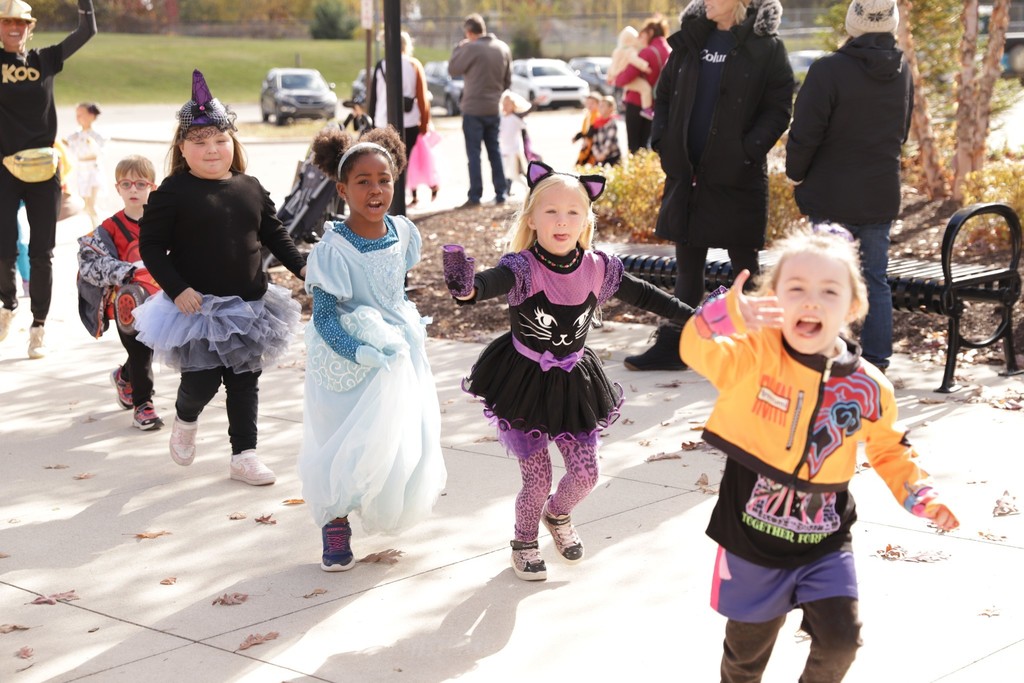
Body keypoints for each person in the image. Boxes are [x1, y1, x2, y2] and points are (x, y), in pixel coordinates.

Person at [680, 225, 959, 682]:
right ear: (773, 300)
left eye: (829, 291)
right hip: (751, 539)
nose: (811, 301)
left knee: (841, 641)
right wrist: (721, 317)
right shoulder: (755, 355)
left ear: (852, 306)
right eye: (796, 289)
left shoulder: (869, 387)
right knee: (745, 659)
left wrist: (921, 495)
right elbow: (696, 349)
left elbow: (890, 449)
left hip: (824, 540)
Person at [443, 160, 694, 581]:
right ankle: (524, 541)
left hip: (575, 384)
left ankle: (557, 515)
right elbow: (488, 284)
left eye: (573, 212)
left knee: (586, 474)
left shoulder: (598, 267)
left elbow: (647, 296)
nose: (562, 221)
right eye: (551, 211)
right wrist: (467, 289)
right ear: (531, 219)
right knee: (537, 481)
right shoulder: (523, 268)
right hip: (524, 385)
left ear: (586, 220)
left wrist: (695, 316)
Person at [133, 70, 307, 486]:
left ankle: (244, 455)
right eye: (200, 141)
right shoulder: (173, 192)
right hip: (197, 311)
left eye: (220, 140)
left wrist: (302, 267)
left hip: (249, 308)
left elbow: (275, 234)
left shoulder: (250, 187)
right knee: (202, 382)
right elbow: (151, 247)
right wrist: (177, 289)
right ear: (182, 148)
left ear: (233, 142)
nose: (211, 149)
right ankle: (186, 417)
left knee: (245, 383)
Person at [298, 125, 446, 571]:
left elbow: (393, 292)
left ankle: (378, 498)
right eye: (363, 181)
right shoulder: (333, 249)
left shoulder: (402, 232)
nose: (375, 190)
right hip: (348, 357)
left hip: (398, 352)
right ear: (343, 190)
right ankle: (335, 520)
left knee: (394, 438)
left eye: (384, 180)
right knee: (342, 442)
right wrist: (358, 351)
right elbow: (324, 317)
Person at [624, 0, 793, 371]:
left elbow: (779, 106)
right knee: (687, 267)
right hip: (688, 174)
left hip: (738, 175)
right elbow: (664, 95)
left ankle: (760, 351)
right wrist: (663, 140)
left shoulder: (766, 47)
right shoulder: (691, 40)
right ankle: (677, 347)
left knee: (746, 268)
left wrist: (748, 151)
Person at [785, 0, 910, 375]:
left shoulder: (828, 70)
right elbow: (902, 132)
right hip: (880, 192)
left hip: (830, 194)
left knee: (824, 282)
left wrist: (795, 174)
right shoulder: (902, 69)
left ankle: (828, 356)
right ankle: (877, 363)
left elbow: (805, 132)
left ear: (853, 24)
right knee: (875, 279)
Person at [0, 0, 97, 359]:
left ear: (30, 27)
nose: (14, 28)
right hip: (4, 168)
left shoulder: (45, 59)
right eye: (7, 22)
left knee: (42, 253)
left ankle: (38, 327)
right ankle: (8, 306)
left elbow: (87, 30)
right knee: (3, 249)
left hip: (44, 171)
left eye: (21, 23)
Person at [77, 154, 163, 431]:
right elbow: (89, 262)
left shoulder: (163, 223)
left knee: (149, 349)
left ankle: (124, 376)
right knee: (140, 351)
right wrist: (125, 271)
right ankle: (143, 406)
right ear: (118, 188)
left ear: (152, 187)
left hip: (163, 298)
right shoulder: (109, 228)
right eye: (126, 184)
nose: (133, 190)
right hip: (128, 303)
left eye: (140, 184)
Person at [448, 13, 511, 207]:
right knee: (495, 151)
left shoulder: (471, 48)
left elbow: (453, 69)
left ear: (469, 32)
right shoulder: (503, 48)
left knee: (474, 154)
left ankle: (475, 195)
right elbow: (507, 81)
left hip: (473, 109)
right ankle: (501, 193)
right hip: (493, 108)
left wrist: (459, 48)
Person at [368, 30, 431, 204]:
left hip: (382, 121)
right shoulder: (413, 65)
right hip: (409, 122)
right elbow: (422, 97)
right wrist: (424, 123)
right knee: (406, 162)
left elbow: (373, 97)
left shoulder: (381, 65)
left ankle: (388, 199)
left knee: (385, 162)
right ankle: (405, 197)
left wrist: (370, 122)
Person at [612, 15, 670, 153]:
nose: (640, 39)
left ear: (650, 32)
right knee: (646, 145)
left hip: (636, 104)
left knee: (634, 146)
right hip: (655, 105)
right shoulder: (669, 50)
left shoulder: (647, 52)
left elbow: (625, 78)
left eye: (642, 34)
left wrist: (616, 78)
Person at [64, 101, 106, 226]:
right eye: (77, 115)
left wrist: (92, 144)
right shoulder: (76, 135)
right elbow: (72, 148)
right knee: (85, 204)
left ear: (91, 116)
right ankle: (94, 225)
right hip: (81, 170)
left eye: (81, 115)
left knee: (91, 203)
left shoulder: (97, 135)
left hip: (93, 170)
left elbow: (100, 151)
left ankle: (98, 227)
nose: (78, 118)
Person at [607, 26, 654, 120]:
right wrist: (645, 67)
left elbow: (612, 66)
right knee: (645, 88)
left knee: (628, 86)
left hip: (617, 77)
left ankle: (624, 100)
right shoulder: (630, 50)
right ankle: (646, 109)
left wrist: (609, 77)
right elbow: (635, 60)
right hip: (624, 76)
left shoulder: (617, 51)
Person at [498, 89, 530, 195]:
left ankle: (528, 188)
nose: (505, 106)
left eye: (508, 104)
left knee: (514, 173)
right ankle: (506, 191)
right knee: (505, 172)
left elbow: (524, 124)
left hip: (514, 150)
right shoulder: (500, 118)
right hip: (504, 150)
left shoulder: (516, 118)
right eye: (504, 104)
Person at [588, 96, 622, 166]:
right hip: (599, 156)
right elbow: (594, 141)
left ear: (610, 108)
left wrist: (603, 155)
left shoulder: (612, 123)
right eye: (599, 106)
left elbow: (609, 141)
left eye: (603, 106)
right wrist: (597, 154)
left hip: (612, 156)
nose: (600, 108)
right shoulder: (596, 123)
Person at [572, 93, 599, 166]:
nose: (590, 105)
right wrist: (577, 137)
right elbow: (585, 131)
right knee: (581, 163)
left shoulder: (597, 115)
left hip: (594, 145)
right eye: (588, 103)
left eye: (592, 103)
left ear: (598, 104)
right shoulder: (588, 116)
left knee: (591, 163)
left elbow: (593, 128)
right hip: (587, 145)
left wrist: (587, 137)